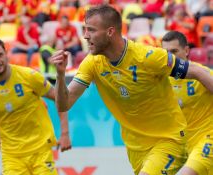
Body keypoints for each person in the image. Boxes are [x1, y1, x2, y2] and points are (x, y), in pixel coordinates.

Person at [50, 4, 213, 175]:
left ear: (110, 32)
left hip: (168, 141)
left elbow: (197, 71)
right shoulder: (92, 63)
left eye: (91, 30)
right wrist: (60, 76)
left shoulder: (147, 57)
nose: (85, 36)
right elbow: (64, 104)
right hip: (136, 147)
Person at [0, 38, 71, 175]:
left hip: (40, 150)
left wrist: (65, 133)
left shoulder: (28, 76)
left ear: (6, 54)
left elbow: (60, 98)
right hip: (12, 156)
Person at [162, 31, 213, 175]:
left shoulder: (201, 73)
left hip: (206, 138)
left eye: (174, 51)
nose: (170, 57)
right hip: (180, 144)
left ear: (186, 51)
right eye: (166, 52)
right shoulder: (161, 79)